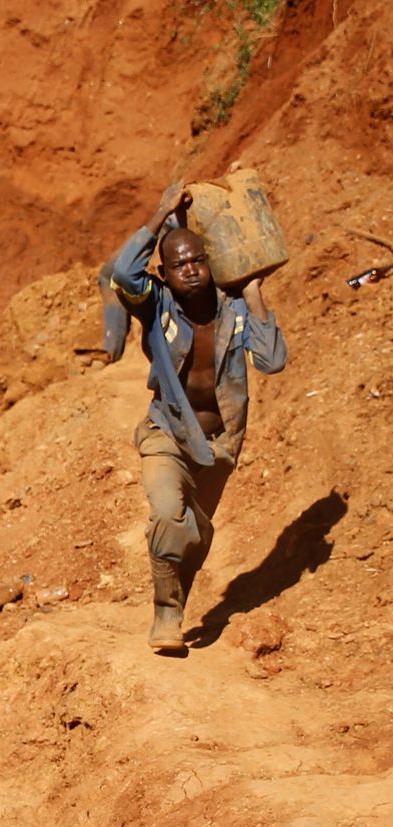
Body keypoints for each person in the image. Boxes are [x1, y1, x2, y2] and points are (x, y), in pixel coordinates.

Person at [108, 185, 288, 650]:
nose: (190, 269)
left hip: (220, 444)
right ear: (164, 274)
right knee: (169, 514)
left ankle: (178, 602)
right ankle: (165, 616)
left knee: (196, 535)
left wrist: (253, 291)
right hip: (167, 432)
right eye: (179, 264)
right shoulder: (157, 305)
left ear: (210, 263)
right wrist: (161, 212)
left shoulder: (235, 311)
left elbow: (271, 361)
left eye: (197, 260)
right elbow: (124, 272)